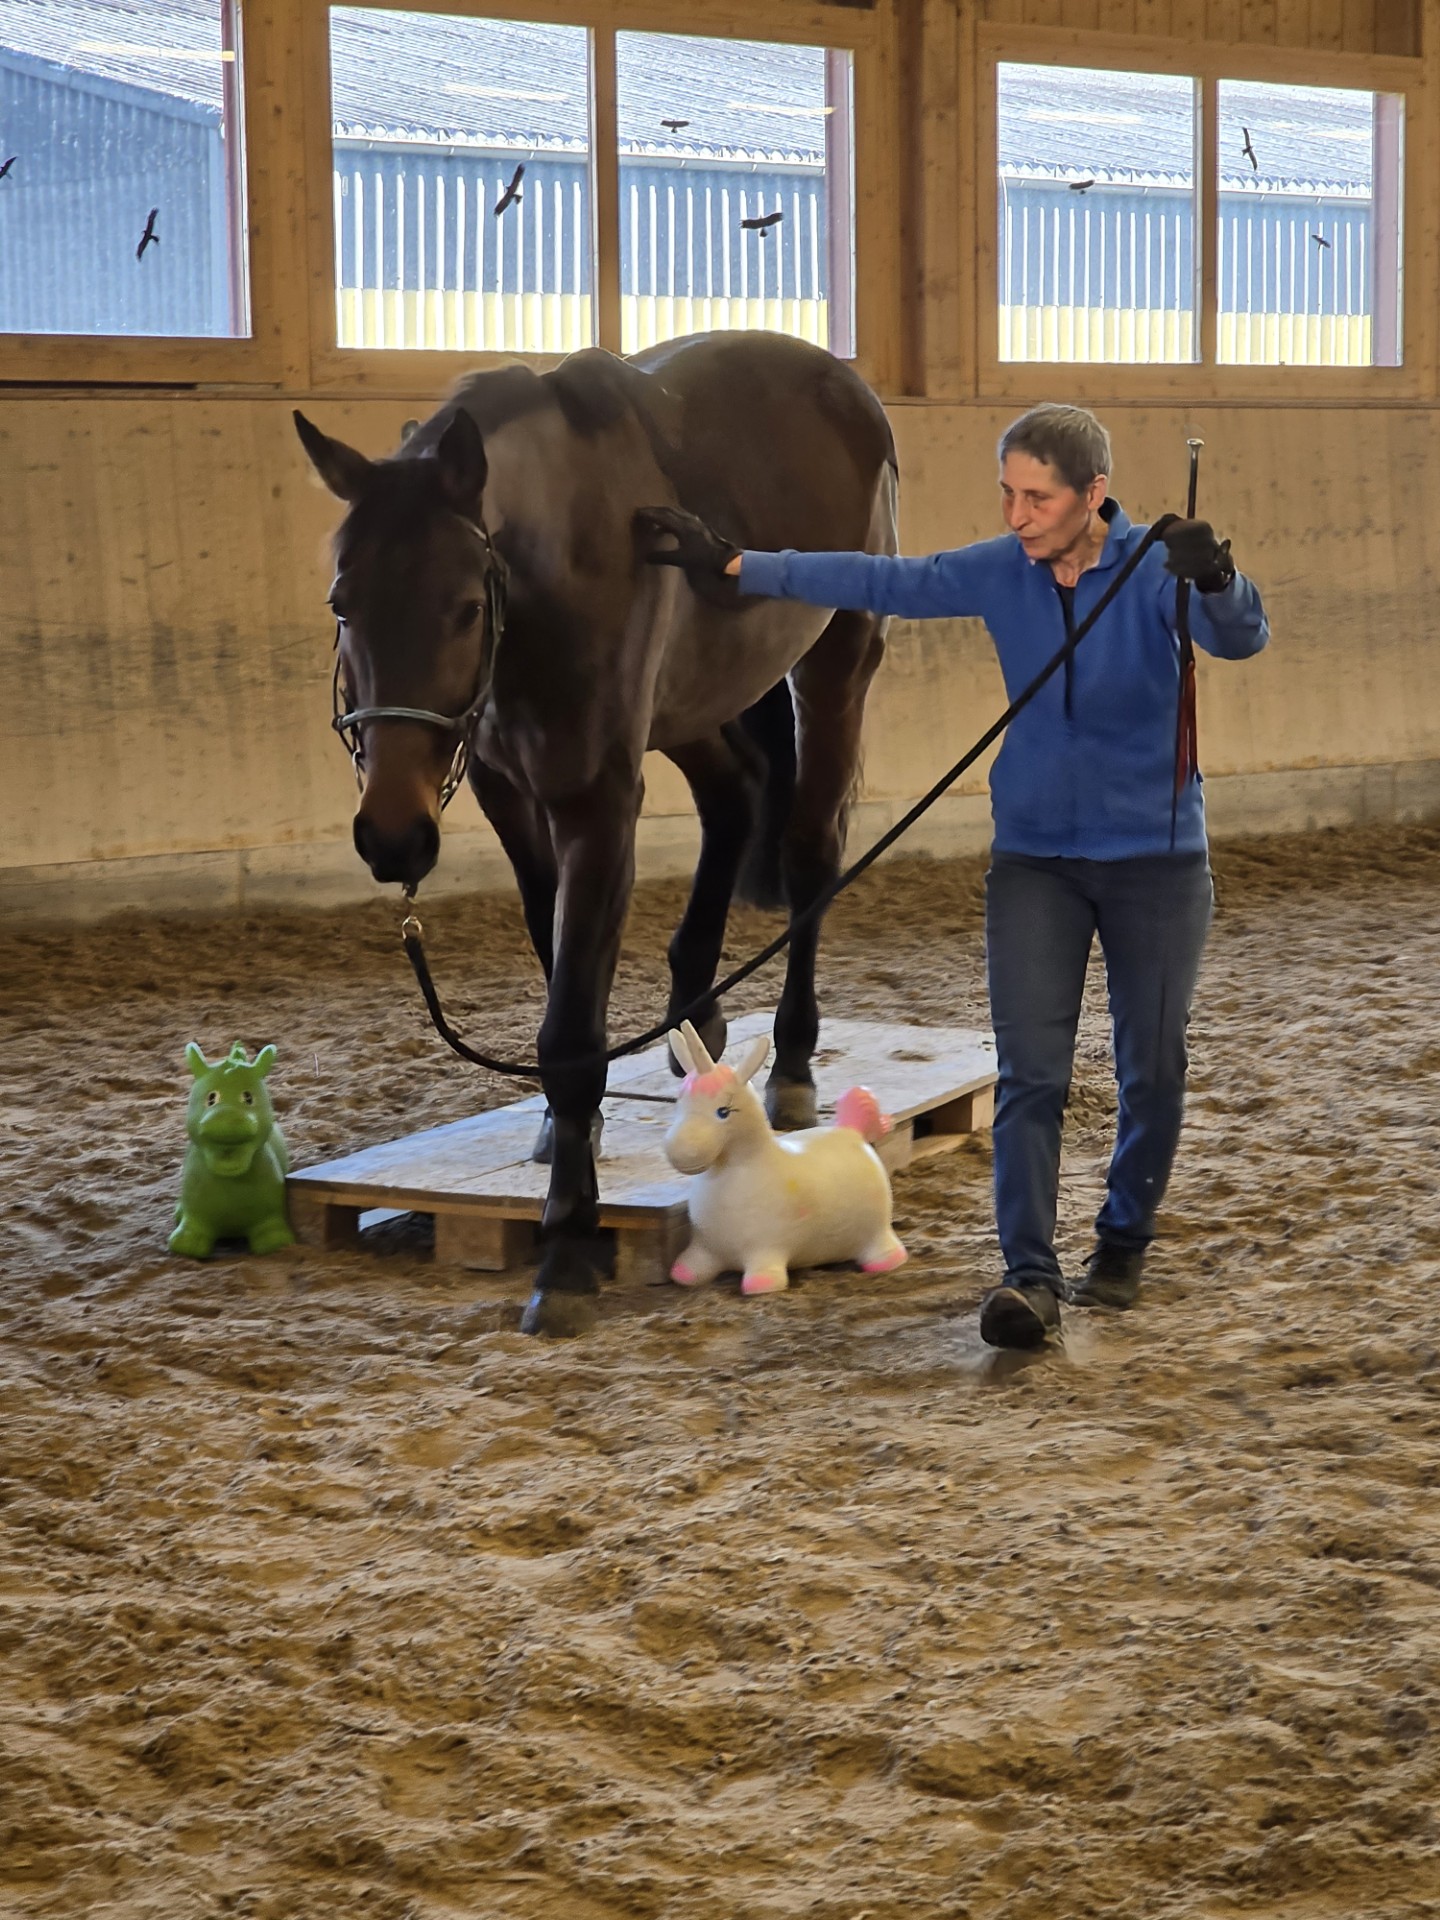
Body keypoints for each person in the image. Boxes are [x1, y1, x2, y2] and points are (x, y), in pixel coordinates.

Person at [641, 404, 1269, 1351]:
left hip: (1157, 863)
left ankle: (1124, 1240)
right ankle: (1029, 1277)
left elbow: (1242, 636)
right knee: (1030, 1075)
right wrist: (738, 564)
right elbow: (883, 578)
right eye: (1007, 493)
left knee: (1151, 1069)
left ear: (1092, 494)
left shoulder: (1156, 571)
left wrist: (1218, 576)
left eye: (1037, 496)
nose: (1016, 514)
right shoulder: (1001, 568)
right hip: (1034, 864)